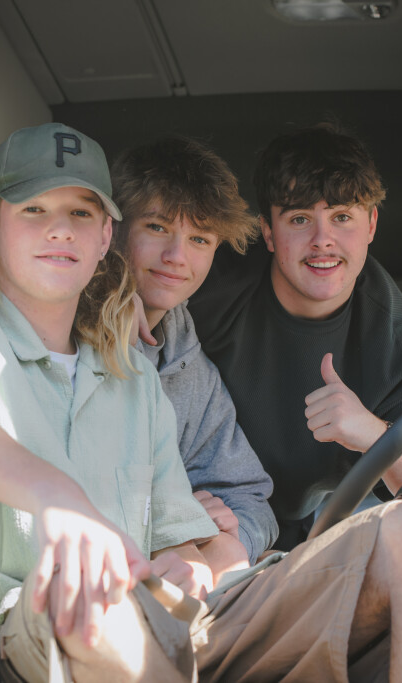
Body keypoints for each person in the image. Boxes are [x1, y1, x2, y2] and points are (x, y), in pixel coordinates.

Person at [0, 122, 402, 682]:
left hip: (177, 616)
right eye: (34, 210)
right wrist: (61, 503)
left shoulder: (136, 374)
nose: (60, 231)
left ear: (104, 236)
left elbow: (180, 535)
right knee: (104, 608)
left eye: (81, 214)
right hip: (47, 618)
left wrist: (196, 563)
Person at [187, 122, 402, 549]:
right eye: (299, 219)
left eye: (341, 217)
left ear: (371, 224)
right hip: (182, 507)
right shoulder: (209, 287)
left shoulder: (397, 342)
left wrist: (374, 434)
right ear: (268, 232)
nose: (322, 241)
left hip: (289, 536)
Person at [111, 136, 277, 576]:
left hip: (178, 578)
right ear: (114, 229)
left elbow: (250, 498)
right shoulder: (64, 333)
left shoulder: (189, 365)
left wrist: (231, 536)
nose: (176, 257)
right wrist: (181, 518)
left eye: (200, 239)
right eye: (157, 228)